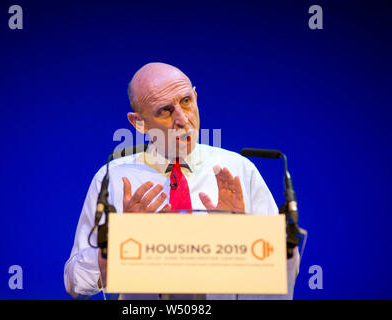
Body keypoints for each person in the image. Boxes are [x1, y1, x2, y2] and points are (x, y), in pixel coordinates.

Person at [64, 62, 300, 300]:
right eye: (165, 111)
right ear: (139, 123)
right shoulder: (112, 178)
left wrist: (244, 238)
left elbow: (285, 270)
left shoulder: (238, 170)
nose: (182, 120)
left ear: (195, 97)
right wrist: (117, 244)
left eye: (186, 101)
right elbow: (74, 282)